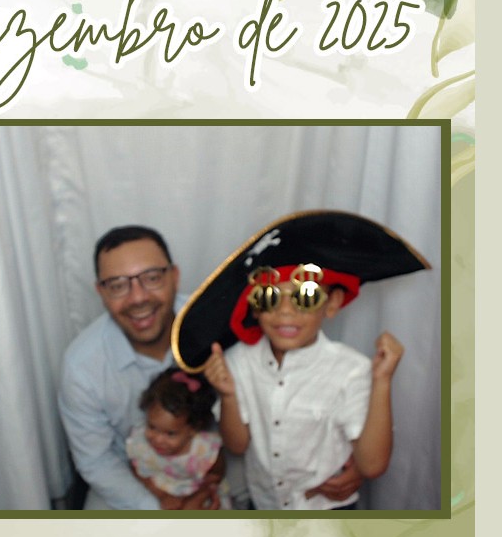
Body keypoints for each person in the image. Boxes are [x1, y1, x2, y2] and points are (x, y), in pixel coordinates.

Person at [177, 211, 430, 511]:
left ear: (332, 303)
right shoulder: (239, 361)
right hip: (265, 506)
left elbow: (372, 466)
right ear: (253, 308)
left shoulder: (351, 370)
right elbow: (237, 445)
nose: (285, 311)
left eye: (305, 297)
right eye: (269, 297)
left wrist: (382, 380)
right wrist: (228, 395)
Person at [57, 224, 213, 510]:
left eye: (152, 278)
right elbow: (97, 461)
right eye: (118, 285)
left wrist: (205, 491)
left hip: (209, 470)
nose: (138, 297)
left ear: (174, 277)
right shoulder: (81, 367)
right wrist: (159, 509)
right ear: (101, 292)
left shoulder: (213, 325)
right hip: (128, 479)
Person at [128, 368, 227, 510]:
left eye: (170, 434)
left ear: (193, 429)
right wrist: (162, 495)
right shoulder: (141, 443)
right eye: (152, 427)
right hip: (157, 492)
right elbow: (137, 470)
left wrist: (196, 497)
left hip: (199, 494)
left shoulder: (204, 450)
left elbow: (216, 475)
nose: (158, 439)